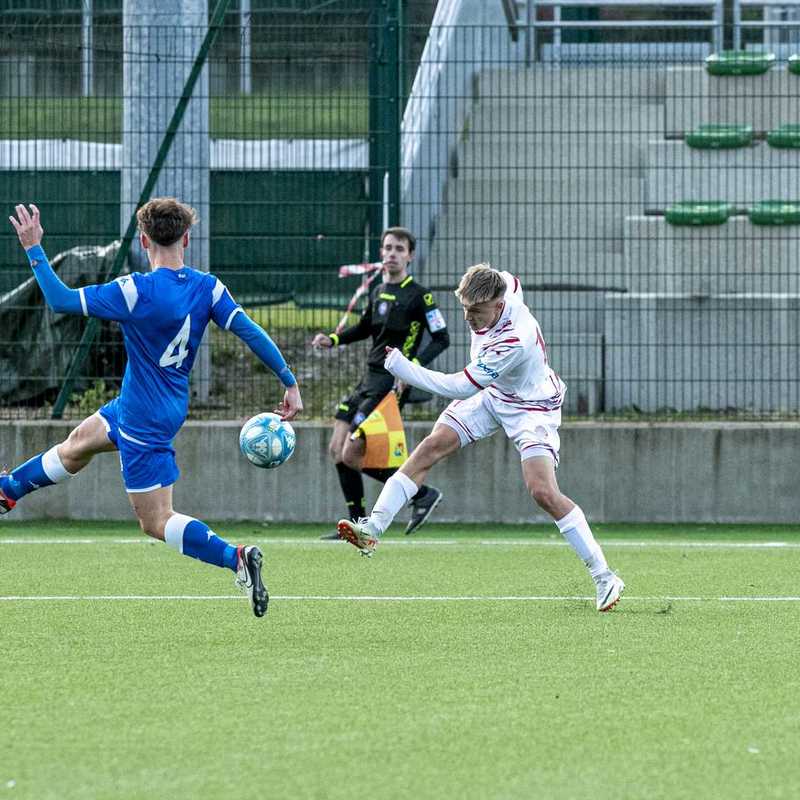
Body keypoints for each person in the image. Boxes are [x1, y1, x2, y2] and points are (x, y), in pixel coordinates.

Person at [3, 199, 303, 618]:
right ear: (187, 238)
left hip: (143, 416)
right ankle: (9, 489)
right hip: (154, 403)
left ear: (143, 240)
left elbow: (59, 300)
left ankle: (235, 557)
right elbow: (250, 332)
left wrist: (33, 247)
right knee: (79, 443)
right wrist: (288, 381)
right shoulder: (207, 287)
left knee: (156, 521)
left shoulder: (134, 291)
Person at [337, 263, 624, 612]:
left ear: (499, 306)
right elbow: (501, 277)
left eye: (476, 312)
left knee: (543, 492)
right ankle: (374, 528)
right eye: (464, 309)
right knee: (429, 447)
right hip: (492, 396)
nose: (468, 318)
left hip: (531, 408)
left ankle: (604, 575)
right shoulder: (502, 285)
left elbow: (457, 386)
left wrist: (402, 368)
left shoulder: (513, 340)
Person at [311, 227, 450, 538]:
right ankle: (356, 524)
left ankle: (420, 493)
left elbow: (442, 338)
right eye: (387, 248)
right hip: (368, 379)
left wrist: (410, 370)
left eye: (399, 249)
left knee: (352, 453)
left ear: (410, 256)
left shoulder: (419, 295)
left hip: (391, 383)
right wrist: (332, 339)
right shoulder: (376, 290)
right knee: (337, 448)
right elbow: (363, 328)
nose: (392, 254)